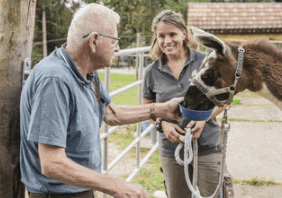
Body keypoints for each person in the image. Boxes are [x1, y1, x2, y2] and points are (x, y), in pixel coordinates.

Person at [20, 4, 184, 198]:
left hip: (77, 186)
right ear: (94, 41)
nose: (118, 48)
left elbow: (110, 113)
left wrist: (162, 109)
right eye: (114, 41)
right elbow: (51, 163)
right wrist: (115, 186)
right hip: (57, 193)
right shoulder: (54, 80)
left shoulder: (86, 71)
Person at [143, 10, 234, 198]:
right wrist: (163, 124)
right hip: (171, 150)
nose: (167, 41)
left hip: (207, 145)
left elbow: (224, 99)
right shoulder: (152, 71)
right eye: (161, 36)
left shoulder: (206, 61)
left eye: (172, 34)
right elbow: (148, 109)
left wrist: (204, 119)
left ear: (184, 34)